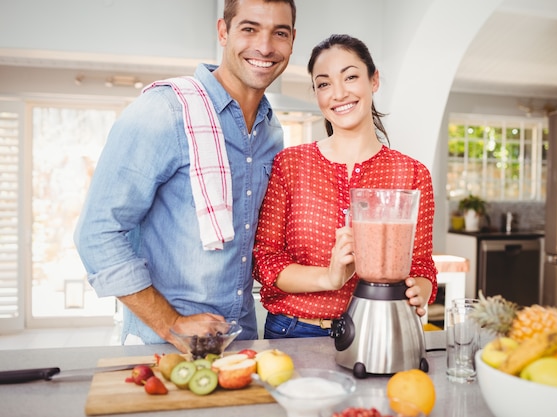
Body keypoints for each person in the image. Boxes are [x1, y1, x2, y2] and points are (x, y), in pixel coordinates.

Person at [73, 0, 296, 351]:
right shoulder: (164, 111)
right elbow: (97, 233)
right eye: (249, 28)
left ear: (292, 40)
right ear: (223, 32)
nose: (265, 47)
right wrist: (171, 324)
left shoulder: (272, 132)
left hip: (240, 339)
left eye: (279, 33)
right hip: (161, 345)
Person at [253, 34, 438, 339]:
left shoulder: (412, 174)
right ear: (316, 93)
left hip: (379, 331)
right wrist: (330, 277)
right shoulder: (290, 165)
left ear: (373, 80)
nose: (338, 93)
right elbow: (266, 260)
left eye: (350, 77)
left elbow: (421, 267)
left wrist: (420, 289)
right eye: (324, 83)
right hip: (294, 331)